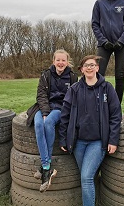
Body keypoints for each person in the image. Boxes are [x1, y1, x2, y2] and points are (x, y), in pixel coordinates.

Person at [59, 55, 122, 206]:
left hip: (98, 142)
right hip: (78, 143)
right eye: (86, 65)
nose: (89, 67)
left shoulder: (107, 88)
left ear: (97, 68)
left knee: (86, 177)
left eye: (92, 65)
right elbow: (64, 116)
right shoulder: (74, 90)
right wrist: (63, 139)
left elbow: (115, 115)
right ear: (81, 70)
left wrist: (113, 140)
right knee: (87, 176)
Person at [33, 49, 78, 192]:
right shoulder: (45, 75)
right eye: (58, 60)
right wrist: (45, 111)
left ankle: (45, 168)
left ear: (67, 61)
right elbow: (41, 95)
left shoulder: (72, 77)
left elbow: (72, 99)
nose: (60, 63)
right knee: (39, 124)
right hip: (44, 107)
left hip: (60, 109)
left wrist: (51, 113)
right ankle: (47, 166)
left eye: (63, 60)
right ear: (53, 61)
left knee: (48, 122)